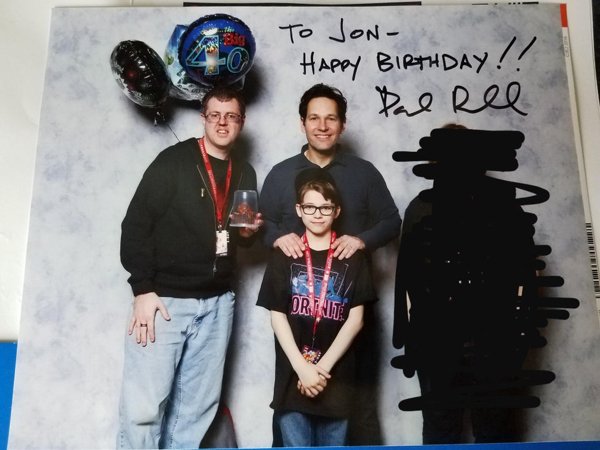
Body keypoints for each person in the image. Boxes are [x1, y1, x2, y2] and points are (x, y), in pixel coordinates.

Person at [117, 86, 262, 449]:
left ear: (241, 122)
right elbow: (135, 226)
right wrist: (142, 290)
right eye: (215, 115)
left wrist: (249, 233)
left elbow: (240, 237)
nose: (222, 122)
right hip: (165, 301)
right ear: (203, 117)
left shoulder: (244, 172)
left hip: (218, 303)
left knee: (196, 411)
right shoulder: (173, 161)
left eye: (231, 116)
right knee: (144, 408)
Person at [259, 83, 401, 445]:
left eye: (331, 119)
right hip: (299, 316)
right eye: (314, 118)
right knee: (292, 407)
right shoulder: (280, 173)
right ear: (302, 123)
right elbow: (259, 224)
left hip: (350, 307)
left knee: (359, 405)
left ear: (343, 124)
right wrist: (276, 236)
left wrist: (361, 240)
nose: (322, 126)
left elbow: (390, 221)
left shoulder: (364, 172)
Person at [257, 168, 377, 447]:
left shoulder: (354, 258)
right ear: (299, 210)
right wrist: (303, 369)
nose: (318, 213)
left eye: (326, 207)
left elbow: (356, 320)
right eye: (310, 206)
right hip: (294, 377)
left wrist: (320, 369)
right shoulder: (284, 255)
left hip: (336, 377)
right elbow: (278, 318)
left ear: (337, 211)